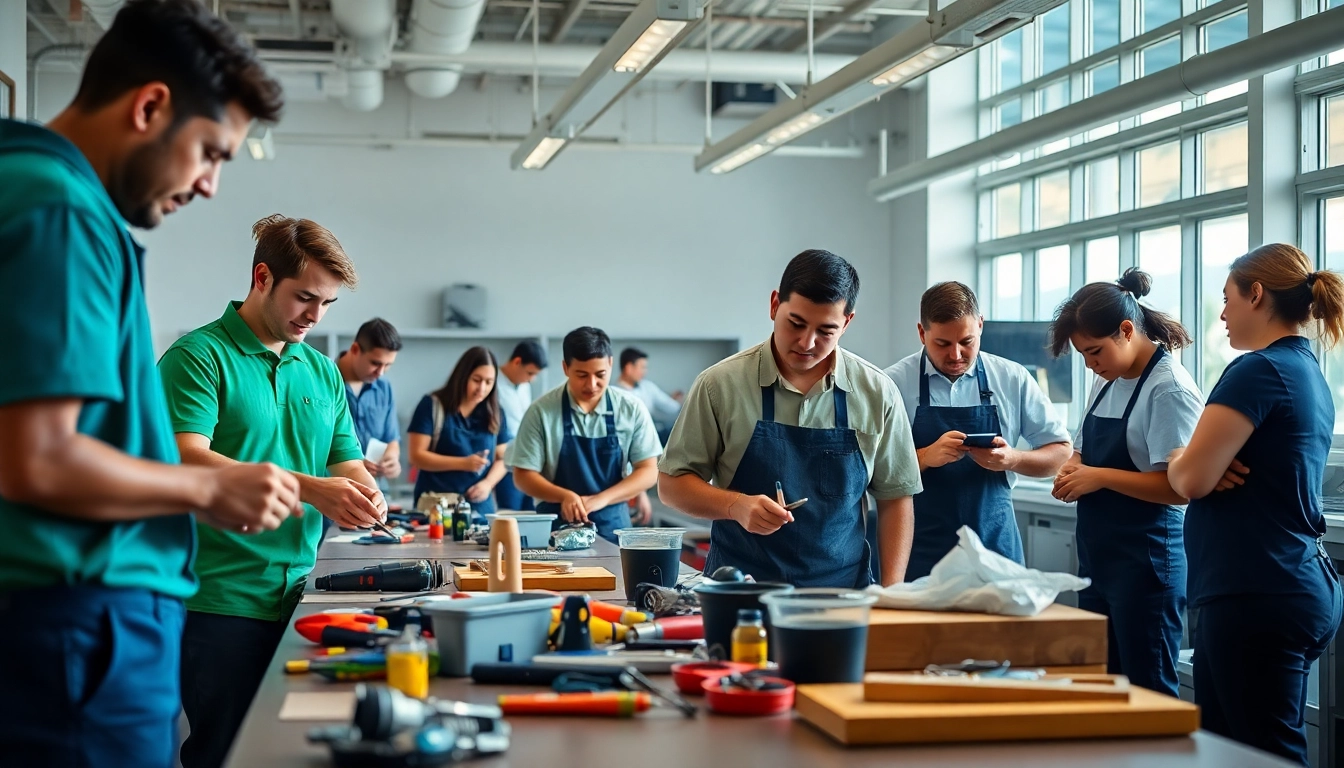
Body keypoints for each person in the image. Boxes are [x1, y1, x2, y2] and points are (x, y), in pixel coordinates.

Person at [0, 3, 293, 766]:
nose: (209, 186)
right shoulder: (60, 212)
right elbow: (38, 460)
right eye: (209, 151)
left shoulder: (30, 187)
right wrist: (206, 491)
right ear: (150, 106)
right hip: (75, 629)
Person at [159, 214, 386, 768]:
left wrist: (366, 492)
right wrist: (312, 489)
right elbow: (187, 457)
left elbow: (345, 460)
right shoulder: (198, 357)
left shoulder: (321, 371)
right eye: (305, 298)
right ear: (262, 277)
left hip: (305, 596)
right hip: (221, 600)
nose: (316, 316)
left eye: (328, 304)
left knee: (293, 752)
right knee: (223, 751)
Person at [1167, 244, 1344, 766]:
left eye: (1227, 300)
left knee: (1259, 755)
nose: (1221, 314)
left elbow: (1190, 480)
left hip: (1258, 592)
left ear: (1257, 295)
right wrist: (1199, 462)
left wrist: (1182, 455)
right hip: (1284, 582)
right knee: (1233, 748)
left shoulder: (1257, 371)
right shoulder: (1305, 368)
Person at [659, 250, 921, 587]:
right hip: (739, 593)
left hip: (843, 596)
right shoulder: (719, 385)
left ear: (847, 323)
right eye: (795, 324)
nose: (807, 343)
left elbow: (896, 497)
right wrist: (735, 505)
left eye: (826, 331)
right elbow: (671, 485)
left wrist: (892, 596)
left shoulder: (877, 392)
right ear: (773, 306)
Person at [1046, 269, 1203, 698]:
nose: (1089, 364)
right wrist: (1073, 470)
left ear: (1127, 331)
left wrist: (1096, 477)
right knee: (1105, 685)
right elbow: (1081, 449)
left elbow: (1178, 488)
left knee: (1147, 688)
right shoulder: (1107, 378)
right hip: (1100, 558)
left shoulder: (1168, 388)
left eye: (1094, 351)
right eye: (1082, 354)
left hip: (1147, 560)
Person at [885, 282, 1072, 580]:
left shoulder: (1013, 379)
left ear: (981, 325)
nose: (956, 355)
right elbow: (869, 469)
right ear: (922, 333)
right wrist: (923, 457)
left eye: (967, 341)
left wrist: (1012, 460)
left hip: (995, 547)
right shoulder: (891, 384)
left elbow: (1061, 453)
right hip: (919, 549)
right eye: (942, 344)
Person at [509, 327, 662, 543]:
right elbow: (523, 475)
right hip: (555, 527)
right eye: (582, 375)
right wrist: (565, 496)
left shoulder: (631, 409)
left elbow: (648, 470)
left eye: (600, 375)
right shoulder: (541, 412)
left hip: (613, 525)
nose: (591, 385)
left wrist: (601, 499)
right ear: (565, 368)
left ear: (610, 363)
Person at [407, 346, 511, 520]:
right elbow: (416, 456)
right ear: (462, 376)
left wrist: (487, 483)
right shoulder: (432, 406)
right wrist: (463, 463)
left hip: (479, 506)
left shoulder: (496, 412)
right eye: (476, 380)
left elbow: (503, 458)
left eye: (489, 382)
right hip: (436, 507)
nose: (482, 388)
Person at [338, 318, 403, 484]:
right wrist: (354, 466)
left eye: (388, 365)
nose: (380, 372)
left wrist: (392, 460)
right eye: (375, 363)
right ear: (355, 349)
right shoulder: (324, 382)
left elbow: (391, 440)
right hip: (336, 492)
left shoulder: (384, 387)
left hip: (376, 491)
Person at [495, 339, 547, 511]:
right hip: (506, 460)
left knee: (531, 512)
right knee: (510, 514)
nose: (531, 380)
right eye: (530, 373)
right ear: (517, 362)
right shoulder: (492, 385)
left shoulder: (523, 385)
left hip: (527, 457)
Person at [616, 347, 683, 444]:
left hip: (652, 434)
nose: (645, 371)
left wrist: (678, 402)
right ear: (629, 368)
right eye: (642, 367)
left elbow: (671, 406)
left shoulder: (647, 387)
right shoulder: (615, 394)